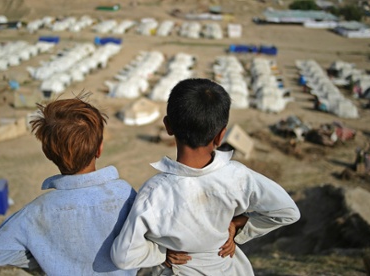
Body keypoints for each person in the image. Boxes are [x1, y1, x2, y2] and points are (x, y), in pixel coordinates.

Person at [110, 78, 301, 275]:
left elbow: (123, 256)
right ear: (221, 135)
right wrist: (238, 224)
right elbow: (288, 212)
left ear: (168, 126)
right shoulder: (238, 176)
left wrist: (161, 253)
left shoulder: (155, 192)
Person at [0, 94, 138, 275]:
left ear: (48, 153)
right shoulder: (124, 194)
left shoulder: (38, 211)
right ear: (99, 148)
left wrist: (46, 259)